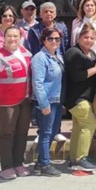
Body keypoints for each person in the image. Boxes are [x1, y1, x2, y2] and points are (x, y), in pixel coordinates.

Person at [0, 25, 33, 180]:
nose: (12, 39)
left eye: (15, 36)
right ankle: (6, 166)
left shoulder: (26, 53)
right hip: (6, 102)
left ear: (21, 38)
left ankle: (18, 163)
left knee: (22, 132)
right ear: (4, 39)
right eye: (9, 36)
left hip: (25, 99)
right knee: (7, 133)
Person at [63, 22, 96, 172]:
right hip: (76, 99)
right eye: (86, 37)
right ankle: (81, 158)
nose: (89, 40)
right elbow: (78, 76)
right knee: (90, 123)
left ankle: (73, 160)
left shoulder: (92, 54)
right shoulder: (73, 53)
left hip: (86, 98)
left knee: (79, 128)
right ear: (79, 38)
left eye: (92, 38)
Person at [25, 2, 69, 143]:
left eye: (51, 11)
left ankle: (57, 131)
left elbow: (65, 46)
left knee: (58, 100)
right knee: (42, 99)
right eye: (45, 11)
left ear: (55, 14)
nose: (48, 14)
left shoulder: (62, 27)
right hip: (42, 66)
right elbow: (32, 49)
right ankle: (41, 131)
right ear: (40, 14)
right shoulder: (34, 30)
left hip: (58, 65)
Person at [30, 27, 65, 177]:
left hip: (57, 100)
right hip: (46, 101)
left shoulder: (57, 56)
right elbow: (37, 83)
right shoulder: (39, 58)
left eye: (57, 39)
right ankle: (45, 164)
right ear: (43, 40)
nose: (54, 41)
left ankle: (39, 163)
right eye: (50, 38)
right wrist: (44, 104)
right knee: (45, 133)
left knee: (52, 132)